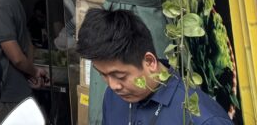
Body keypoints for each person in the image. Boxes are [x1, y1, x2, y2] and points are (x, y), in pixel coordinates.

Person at [77, 8, 232, 125]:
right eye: (103, 75)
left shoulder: (204, 119)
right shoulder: (113, 98)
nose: (113, 85)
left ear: (150, 62)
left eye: (119, 76)